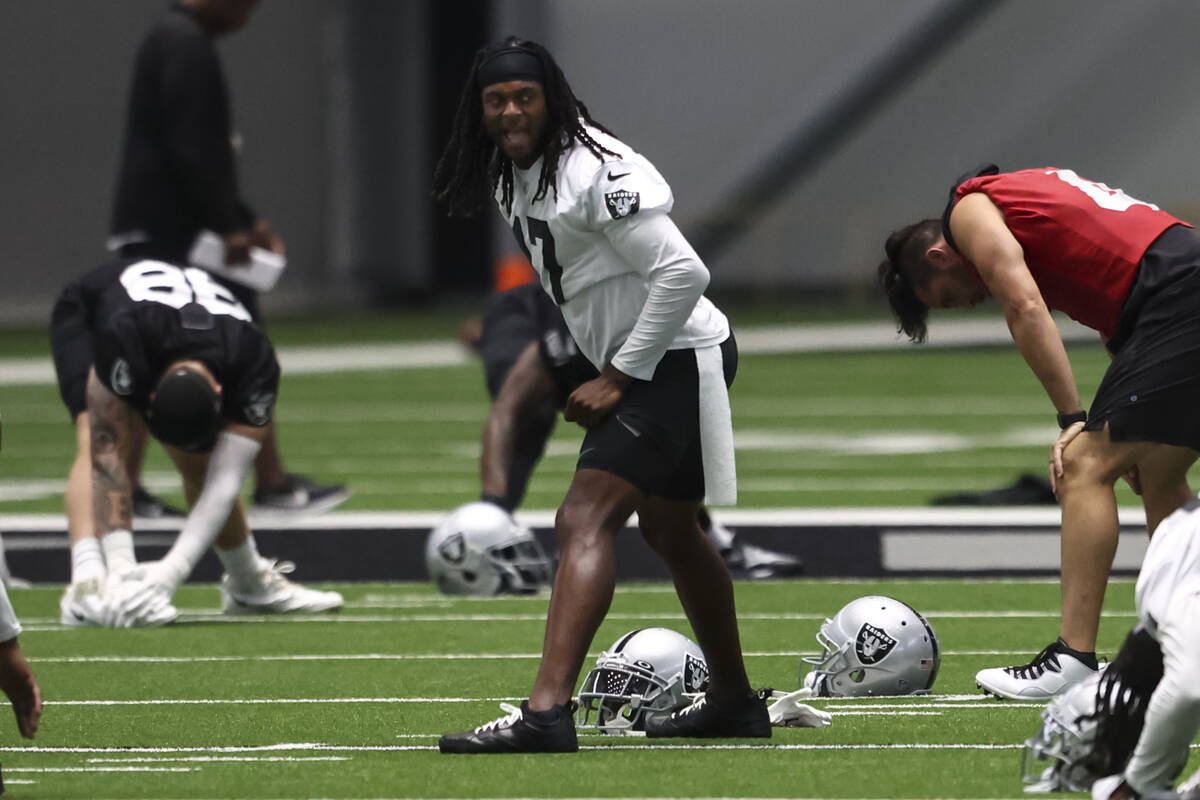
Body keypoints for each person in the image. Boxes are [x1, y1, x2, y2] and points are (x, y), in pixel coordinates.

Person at [432, 37, 768, 753]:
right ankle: (736, 702)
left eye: (525, 96)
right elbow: (584, 281)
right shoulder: (510, 174)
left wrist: (619, 373)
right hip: (651, 359)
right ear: (479, 108)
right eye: (497, 100)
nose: (512, 111)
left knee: (582, 517)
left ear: (551, 98)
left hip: (673, 357)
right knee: (673, 531)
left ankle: (546, 713)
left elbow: (683, 273)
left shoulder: (597, 169)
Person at [879, 164, 1200, 700]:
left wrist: (1073, 419)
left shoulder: (968, 211)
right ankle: (1186, 643)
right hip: (1174, 285)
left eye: (949, 297)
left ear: (938, 257)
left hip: (1178, 291)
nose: (966, 303)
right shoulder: (1017, 204)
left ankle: (1073, 657)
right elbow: (1111, 299)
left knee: (1082, 465)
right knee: (1158, 473)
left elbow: (1023, 307)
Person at [107, 0, 346, 514]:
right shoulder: (182, 41)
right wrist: (231, 224)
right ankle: (264, 481)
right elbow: (190, 148)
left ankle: (262, 478)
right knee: (230, 342)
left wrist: (241, 217)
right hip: (178, 235)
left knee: (184, 346)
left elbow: (198, 151)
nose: (251, 12)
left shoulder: (178, 37)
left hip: (172, 227)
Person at [50, 258, 344, 627]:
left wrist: (171, 572)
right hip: (92, 308)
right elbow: (105, 452)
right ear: (151, 395)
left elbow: (224, 481)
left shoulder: (253, 360)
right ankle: (87, 583)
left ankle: (248, 580)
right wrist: (122, 568)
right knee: (92, 433)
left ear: (221, 393)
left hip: (175, 321)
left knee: (199, 465)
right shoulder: (124, 336)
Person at [476, 281, 802, 578]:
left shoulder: (633, 322)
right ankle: (490, 531)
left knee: (647, 461)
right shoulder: (554, 342)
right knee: (531, 425)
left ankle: (719, 544)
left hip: (635, 345)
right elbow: (505, 410)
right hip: (547, 321)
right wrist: (492, 507)